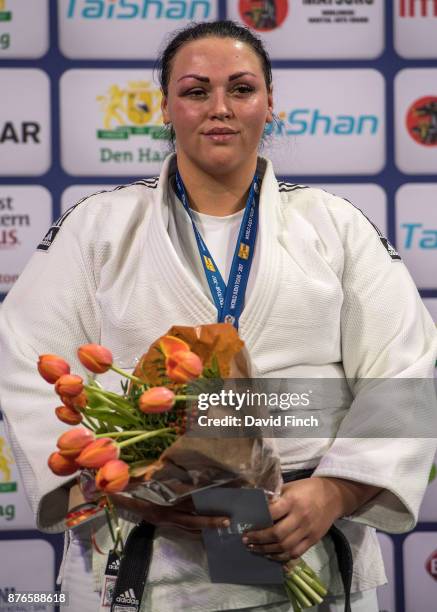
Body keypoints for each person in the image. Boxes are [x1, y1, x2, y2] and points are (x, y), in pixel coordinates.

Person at [0, 20, 436, 612]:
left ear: (270, 103)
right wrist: (130, 486)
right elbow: (29, 358)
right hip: (149, 551)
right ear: (165, 107)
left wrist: (334, 492)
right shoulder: (98, 227)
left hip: (304, 538)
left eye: (241, 88)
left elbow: (407, 366)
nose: (220, 109)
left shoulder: (334, 226)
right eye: (196, 91)